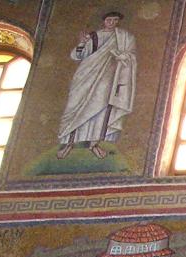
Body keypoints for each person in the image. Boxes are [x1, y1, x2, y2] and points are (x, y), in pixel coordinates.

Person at [57, 11, 137, 160]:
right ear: (104, 21)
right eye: (109, 20)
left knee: (101, 106)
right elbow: (78, 55)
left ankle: (93, 144)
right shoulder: (94, 36)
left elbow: (130, 54)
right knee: (75, 105)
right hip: (86, 74)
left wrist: (122, 56)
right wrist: (82, 43)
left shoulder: (124, 37)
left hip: (108, 76)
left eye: (115, 20)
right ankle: (68, 143)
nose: (112, 22)